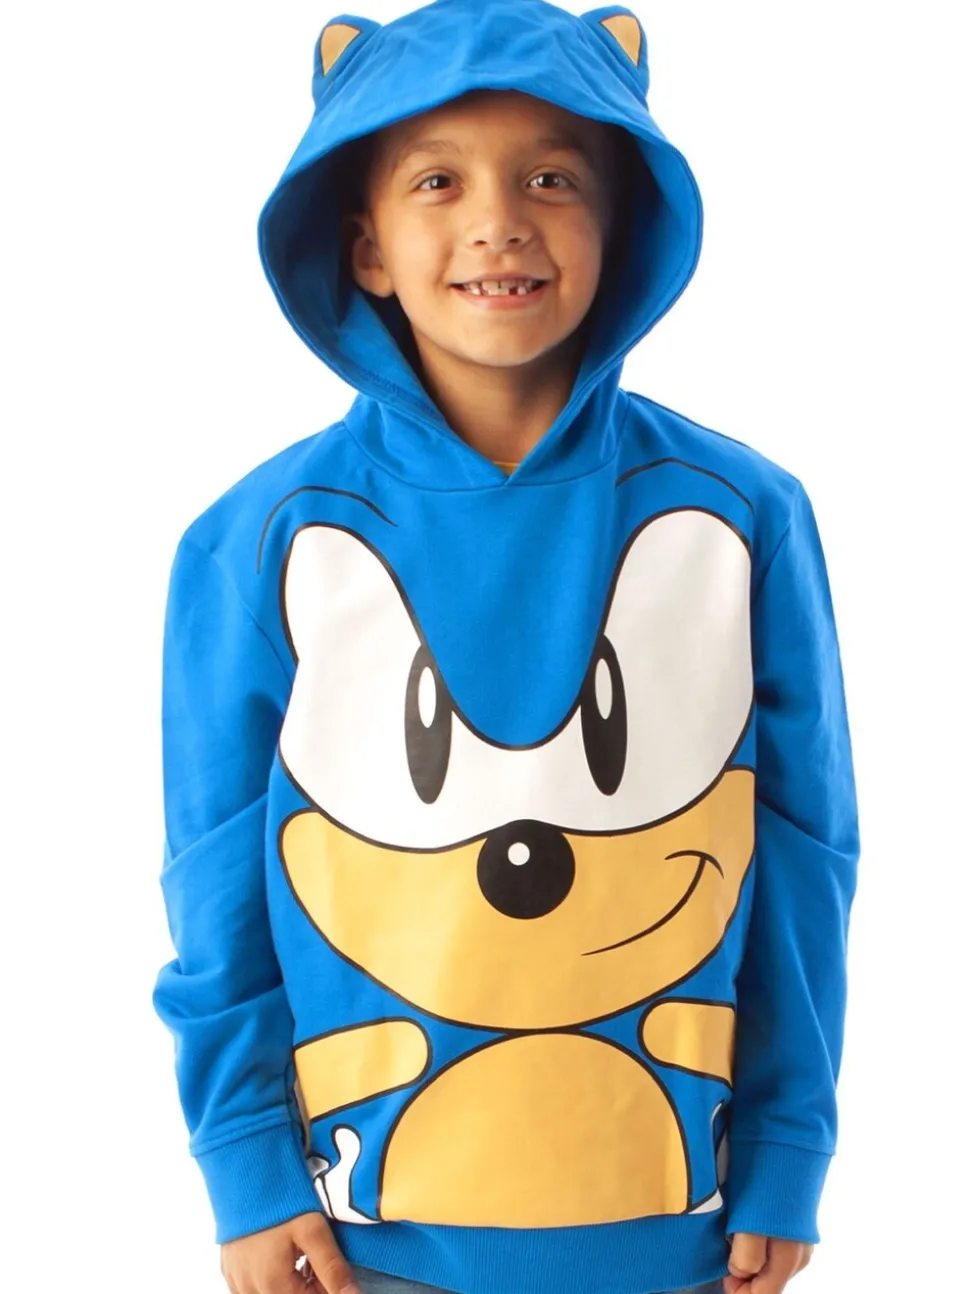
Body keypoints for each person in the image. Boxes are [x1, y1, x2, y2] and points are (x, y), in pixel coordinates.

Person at [152, 2, 861, 1293]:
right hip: (361, 1236)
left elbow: (804, 851)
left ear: (624, 223)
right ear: (365, 246)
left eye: (552, 178)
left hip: (683, 1227)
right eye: (438, 181)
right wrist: (245, 1163)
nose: (499, 221)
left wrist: (788, 1144)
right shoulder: (259, 538)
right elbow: (216, 877)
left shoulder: (740, 515)